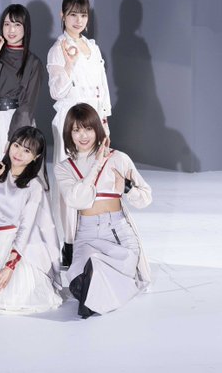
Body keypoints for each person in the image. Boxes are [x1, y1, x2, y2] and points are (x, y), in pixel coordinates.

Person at [54, 103, 151, 318]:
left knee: (101, 274)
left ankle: (90, 299)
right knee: (80, 275)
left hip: (118, 234)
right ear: (69, 133)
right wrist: (96, 164)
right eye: (76, 130)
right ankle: (93, 296)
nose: (83, 136)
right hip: (87, 236)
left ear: (97, 129)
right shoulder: (64, 168)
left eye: (88, 128)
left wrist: (126, 187)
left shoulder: (119, 158)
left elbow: (145, 198)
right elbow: (76, 200)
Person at [46, 0, 112, 265]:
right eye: (72, 14)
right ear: (62, 16)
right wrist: (69, 65)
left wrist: (104, 120)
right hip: (70, 119)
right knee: (70, 181)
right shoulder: (58, 48)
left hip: (94, 119)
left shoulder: (92, 47)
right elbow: (56, 91)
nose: (78, 20)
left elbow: (102, 87)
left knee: (95, 176)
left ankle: (92, 236)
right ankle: (70, 242)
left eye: (83, 15)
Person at [0, 126, 62, 314]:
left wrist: (10, 265)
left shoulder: (34, 185)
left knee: (12, 297)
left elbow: (26, 227)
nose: (19, 153)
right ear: (9, 145)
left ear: (36, 157)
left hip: (24, 247)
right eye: (16, 145)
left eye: (27, 150)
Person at [0, 4, 43, 170]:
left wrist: (15, 138)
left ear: (25, 28)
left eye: (17, 24)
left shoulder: (33, 62)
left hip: (15, 122)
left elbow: (27, 105)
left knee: (13, 174)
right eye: (7, 24)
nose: (11, 29)